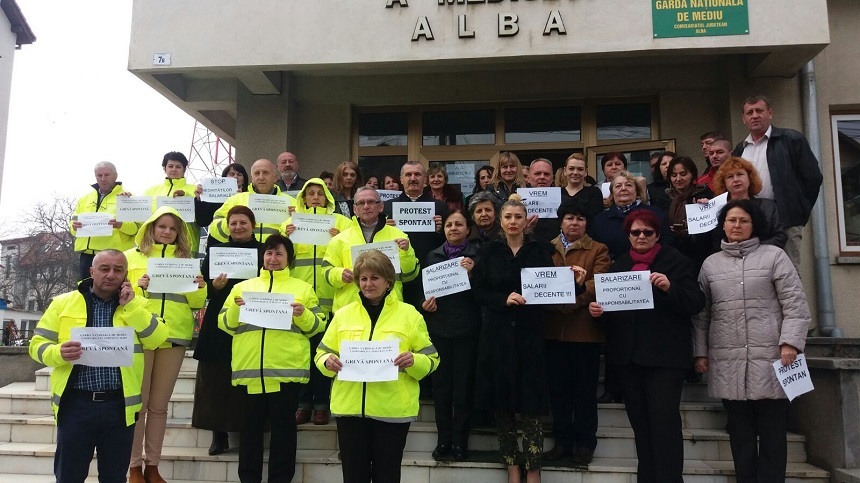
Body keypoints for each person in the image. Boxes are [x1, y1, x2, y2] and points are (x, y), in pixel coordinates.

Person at [693, 199, 810, 482]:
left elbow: (795, 304)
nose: (737, 225)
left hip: (774, 358)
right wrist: (699, 352)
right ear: (722, 225)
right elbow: (702, 314)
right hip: (727, 360)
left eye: (743, 220)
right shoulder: (710, 265)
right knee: (740, 434)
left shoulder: (774, 256)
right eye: (732, 220)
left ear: (753, 225)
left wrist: (791, 343)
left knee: (772, 434)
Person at [28, 249, 168, 483]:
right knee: (69, 476)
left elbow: (157, 339)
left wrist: (131, 307)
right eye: (105, 269)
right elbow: (37, 345)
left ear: (125, 275)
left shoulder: (140, 304)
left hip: (119, 406)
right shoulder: (63, 303)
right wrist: (57, 352)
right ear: (92, 271)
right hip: (75, 405)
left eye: (118, 270)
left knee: (114, 477)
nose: (111, 275)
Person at [588, 209, 705, 483]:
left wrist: (669, 288)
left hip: (665, 359)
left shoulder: (676, 261)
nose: (641, 237)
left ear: (657, 234)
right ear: (627, 235)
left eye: (647, 232)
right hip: (629, 359)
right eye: (635, 232)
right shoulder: (620, 264)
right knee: (640, 426)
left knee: (664, 424)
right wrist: (599, 312)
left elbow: (695, 303)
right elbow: (613, 317)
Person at [316, 250, 439, 483]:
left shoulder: (410, 315)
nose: (368, 283)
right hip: (350, 410)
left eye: (374, 278)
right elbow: (322, 353)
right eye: (363, 278)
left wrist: (414, 361)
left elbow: (432, 359)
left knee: (387, 475)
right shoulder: (343, 315)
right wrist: (326, 362)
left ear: (388, 281)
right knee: (354, 476)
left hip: (391, 411)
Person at [219, 234, 324, 483]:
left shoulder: (302, 289)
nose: (273, 258)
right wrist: (236, 307)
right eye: (269, 253)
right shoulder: (242, 287)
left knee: (284, 433)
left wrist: (303, 314)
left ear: (289, 259)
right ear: (262, 257)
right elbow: (224, 324)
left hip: (286, 372)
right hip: (250, 372)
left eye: (279, 254)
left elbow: (318, 327)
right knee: (250, 432)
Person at [472, 195, 556, 483]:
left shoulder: (540, 250)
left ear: (526, 221)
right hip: (497, 335)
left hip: (530, 334)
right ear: (500, 221)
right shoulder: (490, 251)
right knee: (503, 403)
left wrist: (575, 280)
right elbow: (478, 292)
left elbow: (552, 288)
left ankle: (533, 467)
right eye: (507, 217)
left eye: (518, 217)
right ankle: (511, 465)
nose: (512, 222)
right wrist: (502, 299)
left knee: (532, 405)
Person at [125, 207, 207, 483]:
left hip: (173, 336)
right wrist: (139, 287)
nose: (167, 232)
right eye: (162, 226)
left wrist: (200, 286)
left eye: (173, 229)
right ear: (150, 227)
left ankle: (153, 466)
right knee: (139, 405)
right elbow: (119, 298)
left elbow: (195, 305)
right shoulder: (130, 258)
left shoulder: (187, 261)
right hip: (140, 334)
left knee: (159, 406)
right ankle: (134, 466)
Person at [542, 200, 611, 465]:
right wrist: (560, 299)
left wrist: (573, 297)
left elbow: (598, 283)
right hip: (553, 332)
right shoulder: (546, 248)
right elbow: (539, 281)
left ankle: (585, 443)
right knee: (558, 392)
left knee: (584, 392)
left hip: (585, 334)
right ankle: (562, 442)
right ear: (561, 221)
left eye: (580, 218)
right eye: (570, 217)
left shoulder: (599, 249)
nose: (574, 223)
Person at [193, 206, 264, 456]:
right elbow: (203, 290)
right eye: (233, 223)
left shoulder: (264, 251)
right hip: (218, 319)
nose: (238, 227)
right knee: (215, 376)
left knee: (248, 374)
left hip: (253, 317)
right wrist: (214, 286)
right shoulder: (215, 252)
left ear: (252, 225)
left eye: (243, 222)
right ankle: (218, 434)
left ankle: (248, 430)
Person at [282, 178, 352, 426]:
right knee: (302, 354)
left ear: (327, 198)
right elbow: (280, 258)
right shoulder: (290, 224)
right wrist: (286, 237)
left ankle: (322, 404)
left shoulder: (342, 223)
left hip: (330, 299)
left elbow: (353, 250)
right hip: (300, 301)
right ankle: (303, 404)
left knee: (325, 354)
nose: (314, 197)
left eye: (319, 194)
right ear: (302, 198)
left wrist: (341, 236)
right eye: (310, 193)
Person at [732, 94, 823, 272]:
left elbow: (813, 178)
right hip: (750, 221)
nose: (755, 115)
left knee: (787, 274)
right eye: (749, 112)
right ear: (744, 119)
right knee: (755, 274)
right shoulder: (740, 149)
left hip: (785, 221)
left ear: (770, 113)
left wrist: (798, 211)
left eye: (759, 110)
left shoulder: (791, 140)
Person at [421, 210, 481, 461]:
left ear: (468, 229)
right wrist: (426, 305)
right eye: (448, 224)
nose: (453, 228)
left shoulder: (478, 256)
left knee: (463, 390)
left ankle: (460, 442)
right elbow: (424, 291)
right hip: (439, 331)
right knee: (442, 389)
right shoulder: (433, 256)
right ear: (443, 229)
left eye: (459, 224)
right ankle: (443, 440)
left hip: (467, 331)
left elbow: (486, 293)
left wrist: (473, 274)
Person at [324, 187, 419, 313]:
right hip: (350, 310)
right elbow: (326, 272)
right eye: (361, 203)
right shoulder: (340, 239)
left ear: (381, 206)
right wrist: (339, 274)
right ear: (355, 209)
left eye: (371, 202)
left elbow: (409, 276)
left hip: (389, 308)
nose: (366, 206)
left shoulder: (399, 236)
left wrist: (406, 253)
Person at [383, 161, 448, 308]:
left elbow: (446, 244)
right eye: (408, 174)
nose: (413, 178)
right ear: (401, 179)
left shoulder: (439, 207)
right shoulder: (386, 207)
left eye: (417, 174)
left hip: (428, 273)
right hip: (397, 274)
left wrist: (440, 231)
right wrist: (384, 231)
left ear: (425, 179)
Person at [70, 161, 137, 281]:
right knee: (85, 293)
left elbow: (135, 229)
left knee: (113, 292)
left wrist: (120, 225)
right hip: (87, 256)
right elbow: (73, 226)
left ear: (115, 176)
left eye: (107, 175)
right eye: (99, 175)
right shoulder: (84, 199)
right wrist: (74, 227)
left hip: (113, 256)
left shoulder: (127, 198)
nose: (103, 178)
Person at [209, 159, 296, 244]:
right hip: (244, 254)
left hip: (274, 255)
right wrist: (235, 221)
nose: (261, 177)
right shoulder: (236, 199)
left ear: (275, 177)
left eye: (265, 173)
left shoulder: (291, 202)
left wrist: (296, 219)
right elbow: (214, 230)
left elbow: (303, 237)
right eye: (257, 173)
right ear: (252, 177)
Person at [591, 171, 673, 261]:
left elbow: (666, 242)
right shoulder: (599, 220)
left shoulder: (655, 213)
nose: (623, 189)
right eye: (618, 186)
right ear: (612, 193)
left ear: (637, 191)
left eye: (628, 185)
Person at [711, 156, 786, 249]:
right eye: (730, 176)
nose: (736, 180)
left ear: (749, 178)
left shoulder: (768, 206)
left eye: (740, 174)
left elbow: (780, 237)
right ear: (724, 183)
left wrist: (752, 250)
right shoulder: (717, 208)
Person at [144, 151, 200, 255]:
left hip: (187, 246)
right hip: (153, 245)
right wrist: (126, 201)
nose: (174, 169)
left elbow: (202, 218)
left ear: (184, 169)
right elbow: (141, 217)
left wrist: (187, 197)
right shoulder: (151, 191)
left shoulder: (195, 190)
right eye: (170, 166)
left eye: (178, 167)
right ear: (164, 168)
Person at [665, 155, 714, 267]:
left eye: (683, 174)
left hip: (700, 254)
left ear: (692, 175)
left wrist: (705, 208)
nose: (678, 179)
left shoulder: (704, 195)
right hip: (673, 255)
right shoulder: (664, 198)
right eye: (674, 175)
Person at [194, 162, 249, 230]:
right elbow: (202, 222)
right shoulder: (215, 199)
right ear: (224, 178)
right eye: (232, 174)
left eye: (239, 174)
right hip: (218, 239)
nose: (235, 177)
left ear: (244, 180)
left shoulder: (249, 197)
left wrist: (240, 199)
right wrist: (200, 199)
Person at [561, 153, 603, 218]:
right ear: (565, 171)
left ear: (586, 172)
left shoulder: (594, 193)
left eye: (580, 169)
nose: (575, 173)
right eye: (571, 168)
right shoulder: (556, 194)